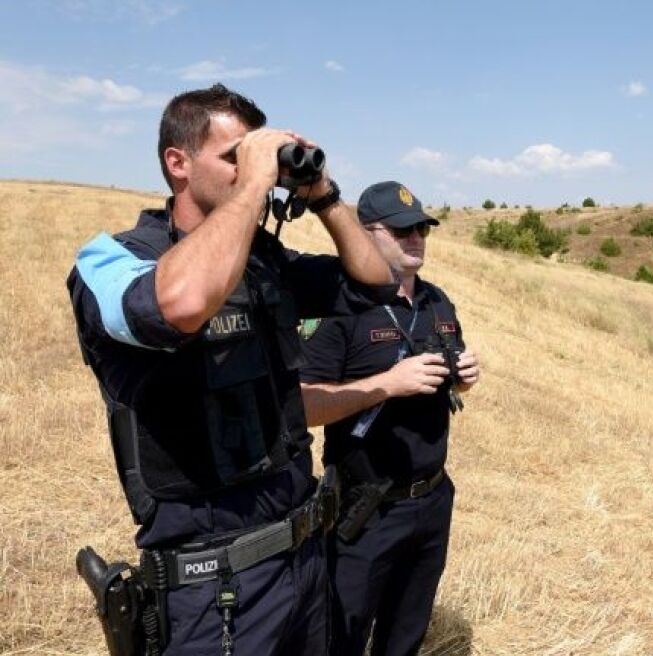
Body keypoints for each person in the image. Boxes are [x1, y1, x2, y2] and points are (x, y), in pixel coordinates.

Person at [67, 83, 391, 655]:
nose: (249, 171)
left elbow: (374, 282)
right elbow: (182, 305)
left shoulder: (266, 261)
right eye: (232, 157)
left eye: (254, 156)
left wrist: (323, 194)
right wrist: (255, 185)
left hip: (305, 556)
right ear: (178, 163)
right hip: (214, 588)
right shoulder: (113, 258)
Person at [298, 181, 480, 656]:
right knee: (342, 633)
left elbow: (448, 379)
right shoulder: (338, 308)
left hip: (432, 496)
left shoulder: (437, 303)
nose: (415, 237)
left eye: (421, 227)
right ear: (366, 234)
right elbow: (302, 407)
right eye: (401, 230)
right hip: (365, 508)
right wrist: (388, 383)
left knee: (406, 633)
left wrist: (463, 378)